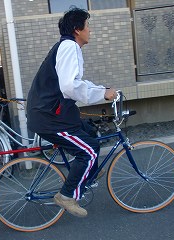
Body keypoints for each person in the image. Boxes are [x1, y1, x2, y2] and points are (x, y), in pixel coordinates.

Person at [26, 7, 117, 218]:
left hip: (53, 114)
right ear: (77, 29)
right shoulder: (69, 47)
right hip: (50, 118)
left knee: (89, 130)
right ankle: (66, 195)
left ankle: (89, 172)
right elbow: (69, 87)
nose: (90, 30)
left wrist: (103, 90)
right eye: (88, 26)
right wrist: (103, 95)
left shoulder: (67, 47)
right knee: (90, 150)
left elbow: (75, 83)